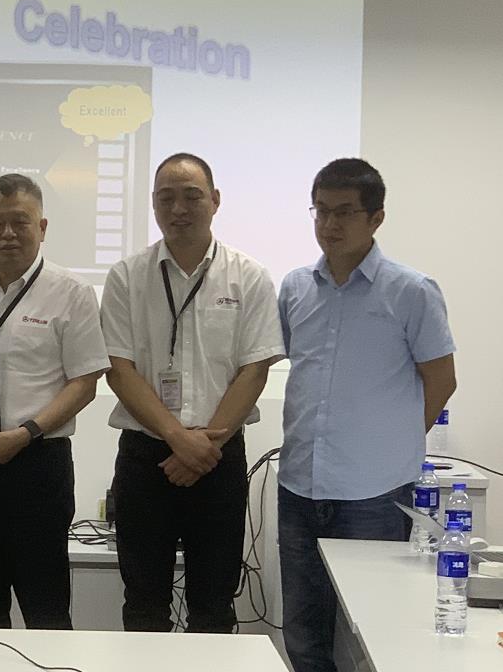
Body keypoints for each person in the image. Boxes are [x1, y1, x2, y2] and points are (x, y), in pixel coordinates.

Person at [278, 158, 456, 672]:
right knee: (304, 633)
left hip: (375, 495)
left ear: (376, 218)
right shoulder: (294, 287)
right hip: (299, 487)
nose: (329, 224)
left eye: (344, 212)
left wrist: (391, 446)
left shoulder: (412, 291)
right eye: (320, 211)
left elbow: (442, 381)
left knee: (373, 632)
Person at [101, 153, 284, 633]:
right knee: (144, 604)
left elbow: (255, 369)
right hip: (146, 458)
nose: (178, 208)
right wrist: (179, 439)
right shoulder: (126, 276)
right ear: (153, 204)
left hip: (218, 457)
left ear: (215, 200)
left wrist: (203, 447)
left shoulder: (249, 275)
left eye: (191, 196)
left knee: (214, 604)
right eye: (166, 198)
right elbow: (119, 370)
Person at [0, 173, 108, 629]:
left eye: (20, 222)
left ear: (42, 227)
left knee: (45, 607)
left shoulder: (72, 292)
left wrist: (26, 433)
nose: (8, 233)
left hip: (37, 464)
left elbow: (85, 382)